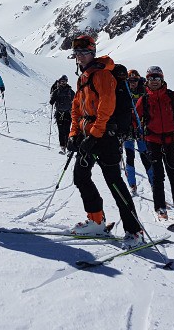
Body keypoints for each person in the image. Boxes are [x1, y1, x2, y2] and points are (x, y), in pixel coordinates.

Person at [67, 33, 143, 247]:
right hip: (87, 135)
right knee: (80, 176)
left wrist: (94, 135)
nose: (79, 56)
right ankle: (96, 220)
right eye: (77, 52)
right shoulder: (83, 77)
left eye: (84, 52)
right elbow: (76, 108)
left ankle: (134, 231)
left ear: (92, 52)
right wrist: (74, 134)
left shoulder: (102, 75)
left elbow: (106, 107)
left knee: (114, 183)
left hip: (104, 137)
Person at [135, 66, 174, 222]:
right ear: (147, 81)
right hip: (152, 141)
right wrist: (135, 131)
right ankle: (160, 208)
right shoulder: (144, 100)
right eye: (151, 78)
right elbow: (134, 117)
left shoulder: (171, 96)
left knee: (173, 175)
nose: (154, 81)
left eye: (157, 78)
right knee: (157, 176)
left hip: (170, 141)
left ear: (162, 79)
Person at [123, 69, 154, 195]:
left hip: (141, 129)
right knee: (130, 156)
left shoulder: (143, 91)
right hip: (128, 129)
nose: (133, 83)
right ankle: (132, 184)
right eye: (130, 80)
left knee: (145, 157)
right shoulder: (123, 91)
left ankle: (153, 184)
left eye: (135, 80)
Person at [49, 75, 74, 154]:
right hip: (59, 113)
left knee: (67, 131)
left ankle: (68, 148)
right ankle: (63, 147)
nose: (63, 83)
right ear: (59, 82)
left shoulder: (70, 91)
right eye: (62, 81)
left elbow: (76, 100)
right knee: (61, 131)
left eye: (64, 81)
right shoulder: (57, 91)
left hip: (67, 113)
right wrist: (53, 95)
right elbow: (51, 102)